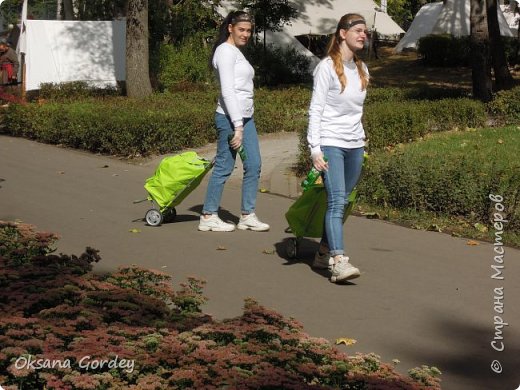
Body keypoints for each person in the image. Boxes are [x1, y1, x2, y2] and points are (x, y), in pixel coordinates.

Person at [307, 13, 369, 283]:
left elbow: (356, 111)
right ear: (342, 33)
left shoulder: (363, 69)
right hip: (331, 142)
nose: (363, 35)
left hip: (355, 145)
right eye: (357, 30)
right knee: (336, 201)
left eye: (365, 31)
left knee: (343, 203)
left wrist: (363, 141)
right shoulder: (326, 68)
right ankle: (338, 261)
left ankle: (322, 251)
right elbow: (316, 109)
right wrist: (315, 149)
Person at [198, 11, 269, 232]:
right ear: (230, 27)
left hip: (244, 119)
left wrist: (244, 121)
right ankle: (208, 215)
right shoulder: (225, 52)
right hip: (230, 119)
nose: (246, 34)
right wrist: (237, 126)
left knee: (254, 165)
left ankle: (247, 215)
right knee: (224, 166)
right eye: (242, 29)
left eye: (249, 30)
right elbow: (228, 91)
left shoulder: (236, 52)